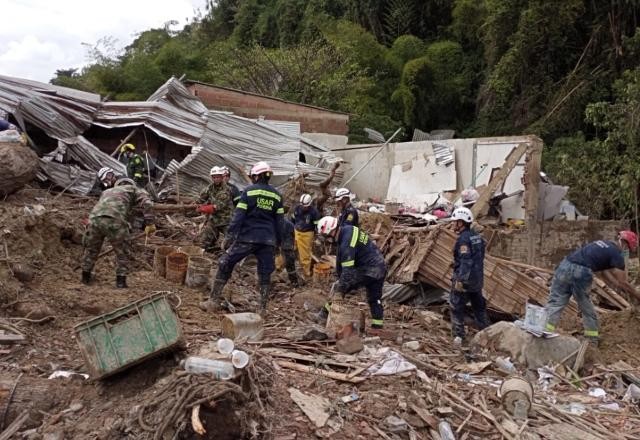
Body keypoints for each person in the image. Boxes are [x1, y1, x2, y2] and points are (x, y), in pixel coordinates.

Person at [200, 161, 284, 313]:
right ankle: (262, 309)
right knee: (265, 274)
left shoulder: (249, 192)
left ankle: (213, 302)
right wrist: (278, 243)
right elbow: (280, 222)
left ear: (256, 176)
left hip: (247, 238)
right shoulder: (277, 196)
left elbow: (238, 216)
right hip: (268, 241)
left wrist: (229, 236)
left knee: (225, 263)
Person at [544, 231, 640, 344]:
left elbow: (604, 273)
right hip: (581, 271)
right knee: (586, 308)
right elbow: (623, 282)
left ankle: (544, 331)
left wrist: (616, 286)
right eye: (628, 249)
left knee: (555, 302)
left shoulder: (604, 245)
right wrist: (637, 296)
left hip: (565, 265)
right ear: (626, 244)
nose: (627, 251)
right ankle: (592, 340)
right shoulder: (617, 255)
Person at [315, 216, 386, 333]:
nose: (327, 240)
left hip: (369, 269)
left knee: (338, 286)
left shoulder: (346, 243)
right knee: (375, 298)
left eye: (326, 236)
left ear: (332, 232)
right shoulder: (348, 229)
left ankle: (323, 315)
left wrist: (340, 289)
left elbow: (347, 272)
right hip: (380, 266)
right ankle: (377, 327)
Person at [81, 178, 155, 288]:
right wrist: (150, 223)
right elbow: (148, 203)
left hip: (94, 220)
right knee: (123, 253)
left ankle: (85, 277)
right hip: (115, 221)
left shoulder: (106, 192)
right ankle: (121, 282)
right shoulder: (134, 189)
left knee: (92, 250)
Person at [449, 207, 489, 345]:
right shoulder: (477, 236)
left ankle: (458, 337)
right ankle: (486, 335)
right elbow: (480, 256)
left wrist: (461, 279)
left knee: (456, 306)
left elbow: (466, 260)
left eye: (455, 222)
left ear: (461, 222)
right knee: (479, 307)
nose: (453, 224)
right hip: (477, 279)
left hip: (465, 281)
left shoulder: (463, 240)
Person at [197, 166, 235, 252]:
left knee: (230, 244)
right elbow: (201, 198)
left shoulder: (226, 190)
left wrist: (202, 209)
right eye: (214, 177)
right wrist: (195, 204)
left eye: (218, 177)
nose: (216, 179)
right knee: (204, 243)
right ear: (211, 178)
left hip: (226, 220)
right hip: (214, 220)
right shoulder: (210, 188)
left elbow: (216, 207)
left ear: (222, 177)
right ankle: (209, 249)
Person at [292, 194, 321, 278]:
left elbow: (317, 226)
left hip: (307, 234)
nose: (304, 208)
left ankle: (306, 273)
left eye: (305, 206)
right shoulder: (297, 208)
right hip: (296, 231)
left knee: (305, 255)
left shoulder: (314, 212)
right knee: (289, 249)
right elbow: (293, 219)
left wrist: (317, 236)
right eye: (302, 206)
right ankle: (280, 268)